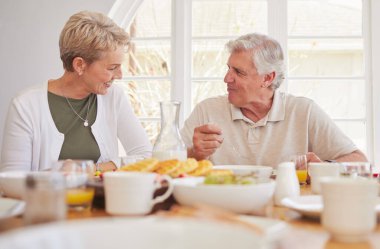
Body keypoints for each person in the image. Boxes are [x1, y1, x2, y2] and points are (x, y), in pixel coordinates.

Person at [181, 33, 367, 167]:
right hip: (221, 212)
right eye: (228, 68)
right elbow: (166, 166)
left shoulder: (303, 111)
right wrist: (194, 154)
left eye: (238, 72)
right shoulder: (206, 110)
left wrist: (325, 167)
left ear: (268, 78)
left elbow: (359, 160)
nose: (227, 78)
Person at [0, 11, 152, 172]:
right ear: (79, 65)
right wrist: (56, 176)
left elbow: (144, 155)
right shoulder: (25, 105)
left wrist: (91, 169)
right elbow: (12, 179)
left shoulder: (114, 97)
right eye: (112, 68)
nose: (120, 75)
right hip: (49, 198)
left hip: (106, 198)